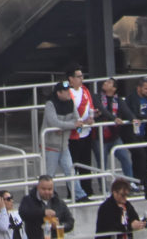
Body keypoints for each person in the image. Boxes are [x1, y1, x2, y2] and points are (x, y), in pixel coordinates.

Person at [41, 82, 84, 202]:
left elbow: (78, 121)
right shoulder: (50, 104)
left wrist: (66, 127)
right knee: (49, 174)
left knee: (70, 170)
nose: (68, 93)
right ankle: (46, 199)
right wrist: (71, 125)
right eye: (65, 91)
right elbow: (54, 123)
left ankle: (79, 195)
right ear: (59, 93)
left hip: (64, 145)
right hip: (51, 146)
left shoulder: (71, 103)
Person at [92, 78, 134, 182]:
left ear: (114, 88)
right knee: (102, 164)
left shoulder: (118, 100)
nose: (105, 83)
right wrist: (113, 118)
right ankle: (104, 189)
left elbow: (126, 111)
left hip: (114, 137)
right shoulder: (96, 97)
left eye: (109, 82)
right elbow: (101, 109)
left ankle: (131, 183)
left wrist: (134, 119)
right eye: (105, 81)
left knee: (125, 159)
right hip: (99, 137)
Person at [65, 64, 94, 199]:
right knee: (73, 165)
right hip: (73, 135)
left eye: (82, 76)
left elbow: (91, 107)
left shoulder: (85, 90)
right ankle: (73, 193)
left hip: (86, 133)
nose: (81, 79)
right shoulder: (67, 92)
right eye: (78, 76)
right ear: (71, 79)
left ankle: (87, 190)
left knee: (86, 163)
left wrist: (92, 117)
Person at [18, 175, 75, 239]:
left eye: (49, 189)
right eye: (44, 189)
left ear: (53, 188)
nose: (47, 192)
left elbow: (70, 223)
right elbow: (23, 214)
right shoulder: (28, 200)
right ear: (38, 187)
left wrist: (59, 225)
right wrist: (43, 213)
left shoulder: (59, 202)